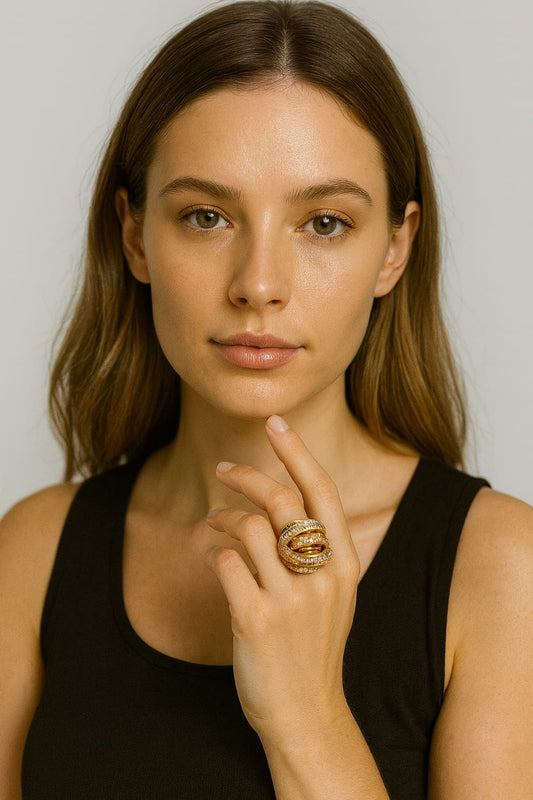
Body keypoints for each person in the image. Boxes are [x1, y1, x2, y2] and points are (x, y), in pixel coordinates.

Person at [1, 1, 532, 797]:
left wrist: (306, 715)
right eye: (206, 217)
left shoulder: (499, 572)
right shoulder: (34, 551)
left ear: (394, 248)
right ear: (135, 233)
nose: (257, 284)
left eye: (322, 223)